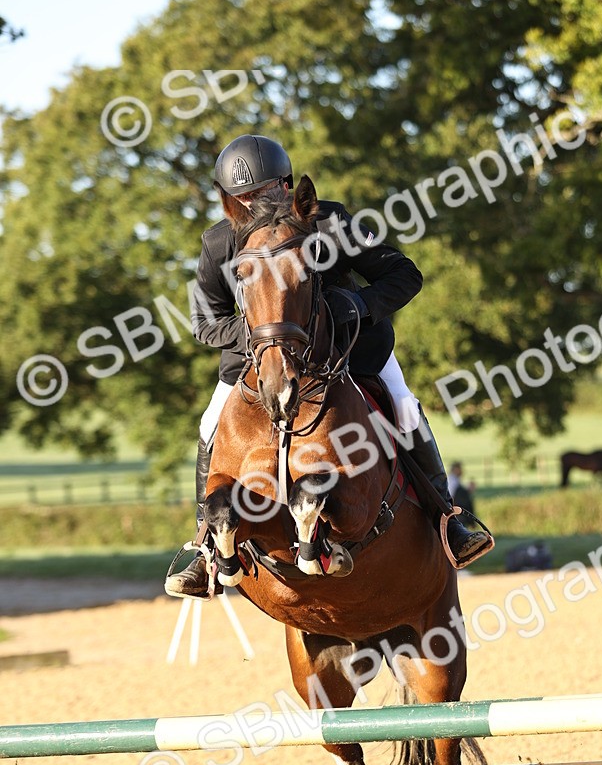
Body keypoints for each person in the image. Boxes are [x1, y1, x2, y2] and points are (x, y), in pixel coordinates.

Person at [165, 134, 493, 597]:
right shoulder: (219, 243)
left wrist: (358, 304)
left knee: (404, 407)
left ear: (286, 186)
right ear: (231, 204)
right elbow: (204, 321)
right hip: (258, 359)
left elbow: (405, 275)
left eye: (267, 193)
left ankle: (449, 519)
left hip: (351, 352)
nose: (258, 205)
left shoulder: (329, 220)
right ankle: (205, 547)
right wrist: (259, 330)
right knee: (208, 425)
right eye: (245, 199)